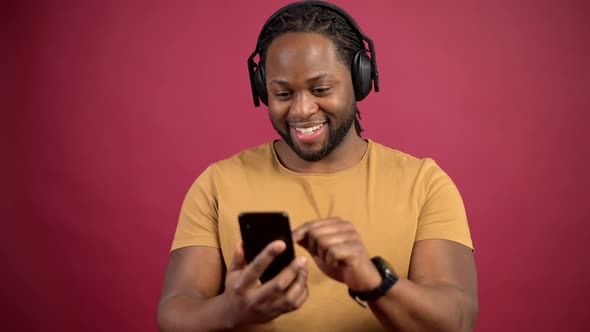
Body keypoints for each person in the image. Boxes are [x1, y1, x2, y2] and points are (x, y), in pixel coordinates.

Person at [157, 1, 478, 331]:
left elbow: (457, 321)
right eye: (282, 94)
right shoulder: (217, 184)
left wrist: (372, 280)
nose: (302, 110)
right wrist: (230, 310)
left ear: (360, 78)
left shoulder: (424, 183)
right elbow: (174, 316)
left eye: (320, 89)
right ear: (262, 91)